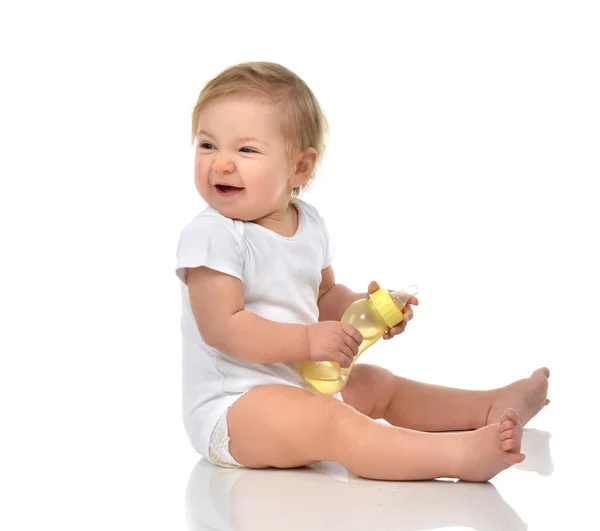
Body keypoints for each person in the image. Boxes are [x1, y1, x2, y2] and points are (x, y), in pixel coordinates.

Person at [175, 61, 550, 481]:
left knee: (378, 385)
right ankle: (458, 457)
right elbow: (223, 327)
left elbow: (322, 297)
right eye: (208, 145)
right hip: (234, 407)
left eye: (245, 150)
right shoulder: (213, 235)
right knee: (333, 423)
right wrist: (307, 340)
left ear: (299, 167)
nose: (221, 164)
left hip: (300, 383)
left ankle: (490, 406)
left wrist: (365, 309)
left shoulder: (308, 223)